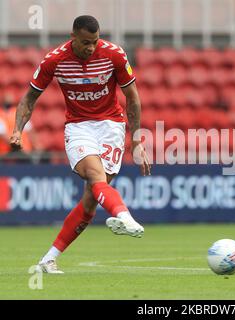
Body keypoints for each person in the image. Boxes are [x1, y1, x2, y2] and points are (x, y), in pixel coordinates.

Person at [9, 15, 151, 274]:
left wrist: (138, 139)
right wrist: (18, 130)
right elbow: (29, 98)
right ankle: (125, 216)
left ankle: (47, 260)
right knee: (96, 176)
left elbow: (132, 97)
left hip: (111, 126)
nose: (90, 48)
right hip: (79, 127)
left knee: (90, 201)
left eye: (94, 42)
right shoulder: (55, 60)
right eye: (85, 42)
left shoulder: (114, 55)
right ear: (73, 36)